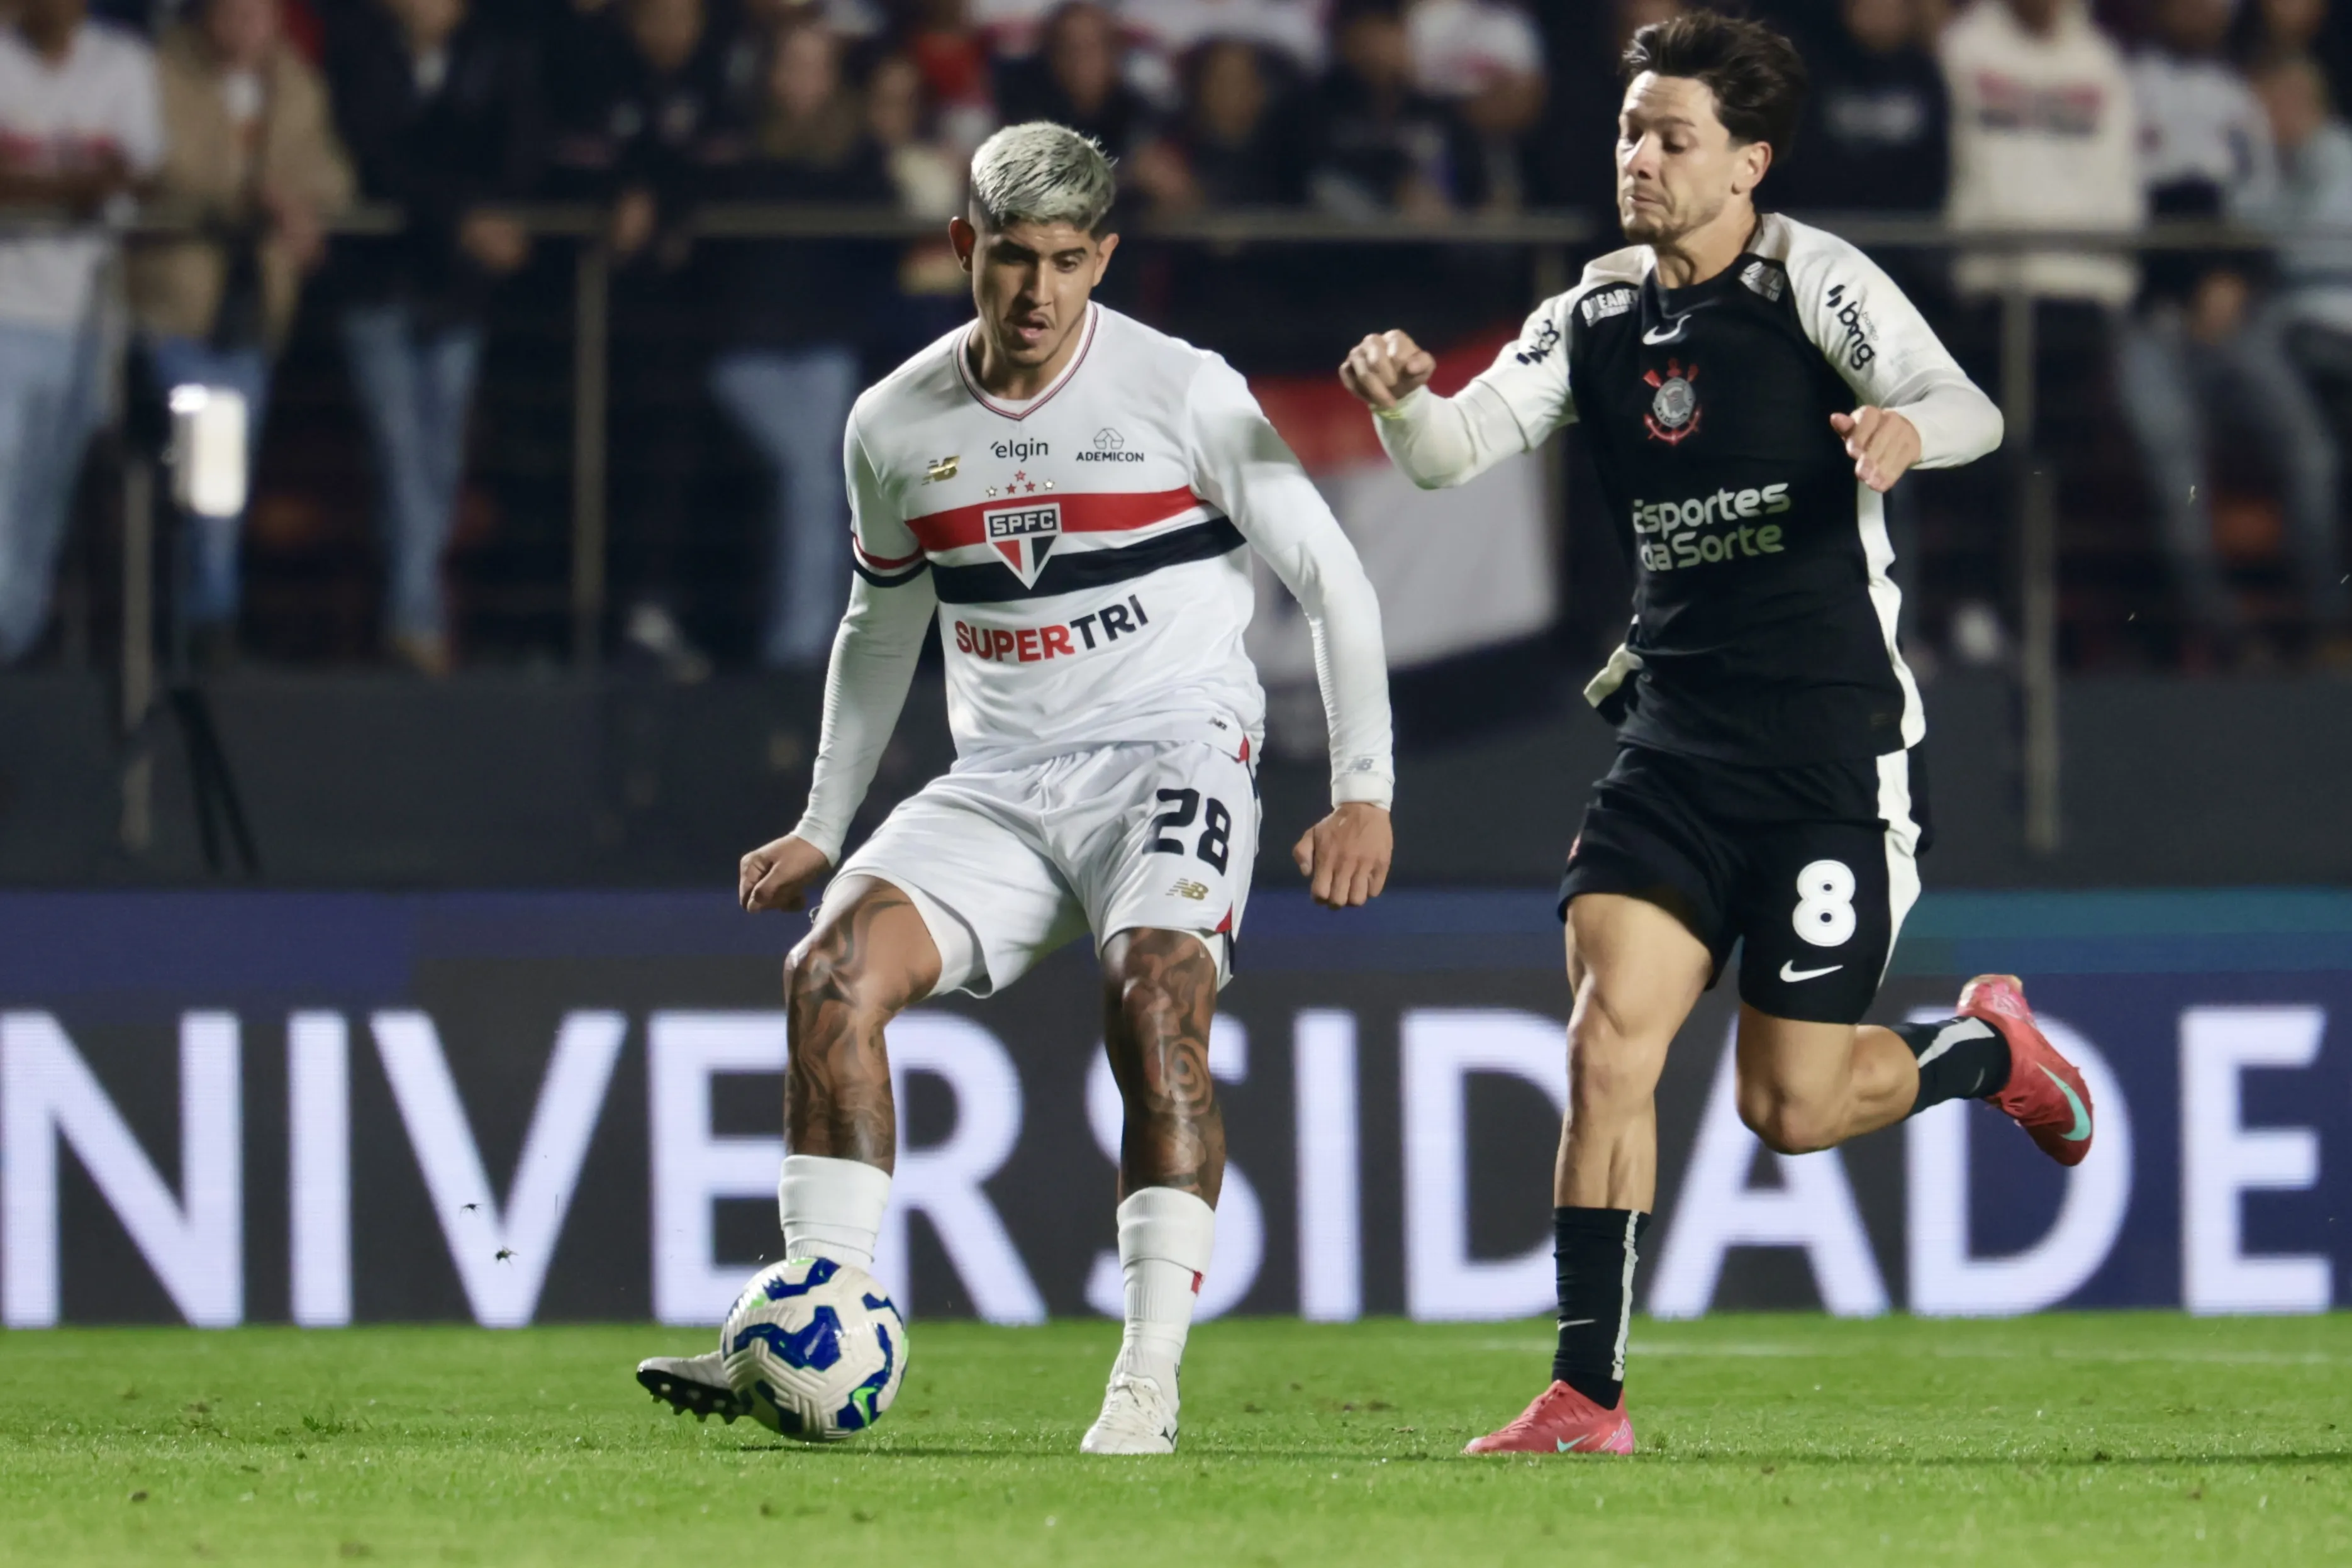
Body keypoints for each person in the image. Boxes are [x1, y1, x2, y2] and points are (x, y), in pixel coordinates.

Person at [1340, 11, 2092, 1457]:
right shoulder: (1591, 317)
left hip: (1828, 758)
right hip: (1672, 749)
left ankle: (1991, 1052)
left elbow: (1969, 403)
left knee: (1792, 1109)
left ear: (1748, 159)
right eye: (1630, 130)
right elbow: (1450, 459)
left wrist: (1901, 435)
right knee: (1607, 1043)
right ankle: (1585, 1395)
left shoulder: (1811, 279)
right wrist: (1403, 405)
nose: (1640, 156)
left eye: (1672, 136)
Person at [635, 121, 1396, 1455]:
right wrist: (825, 820)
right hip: (999, 778)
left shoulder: (1183, 389)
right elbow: (879, 629)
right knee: (826, 975)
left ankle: (1143, 1385)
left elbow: (1332, 577)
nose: (1035, 293)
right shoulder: (894, 422)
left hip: (1173, 744)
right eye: (1007, 258)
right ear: (959, 249)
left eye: (1063, 261)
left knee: (1155, 994)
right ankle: (817, 1310)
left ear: (1103, 256)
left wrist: (1363, 787)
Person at [129, 0, 354, 667]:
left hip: (251, 313)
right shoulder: (164, 72)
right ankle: (208, 621)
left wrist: (297, 200)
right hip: (179, 307)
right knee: (210, 464)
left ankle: (203, 617)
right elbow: (162, 169)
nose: (245, 27)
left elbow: (331, 176)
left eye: (258, 14)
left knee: (223, 475)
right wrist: (258, 196)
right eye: (232, 13)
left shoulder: (296, 84)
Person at [2118, 0, 2346, 654]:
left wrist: (2235, 280)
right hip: (2148, 317)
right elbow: (2122, 202)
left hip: (2237, 320)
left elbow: (2261, 213)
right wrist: (2184, 286)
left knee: (2310, 450)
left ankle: (2324, 625)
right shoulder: (2126, 86)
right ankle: (2220, 633)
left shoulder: (2237, 98)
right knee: (2174, 461)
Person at [323, 0, 540, 675]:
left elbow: (519, 151)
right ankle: (418, 626)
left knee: (438, 465)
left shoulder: (498, 55)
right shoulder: (358, 51)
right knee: (400, 456)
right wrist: (461, 215)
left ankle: (410, 618)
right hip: (377, 291)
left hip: (454, 297)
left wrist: (480, 216)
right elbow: (376, 156)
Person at [701, 16, 896, 668]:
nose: (802, 79)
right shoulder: (733, 143)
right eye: (790, 63)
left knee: (821, 482)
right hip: (744, 352)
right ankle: (800, 648)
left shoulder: (859, 154)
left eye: (816, 64)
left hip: (822, 348)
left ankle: (810, 644)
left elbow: (883, 238)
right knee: (808, 477)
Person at [0, 0, 160, 665]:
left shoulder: (122, 63)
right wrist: (75, 186)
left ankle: (16, 648)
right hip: (4, 313)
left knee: (47, 499)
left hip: (87, 322)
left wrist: (33, 187)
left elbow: (140, 173)